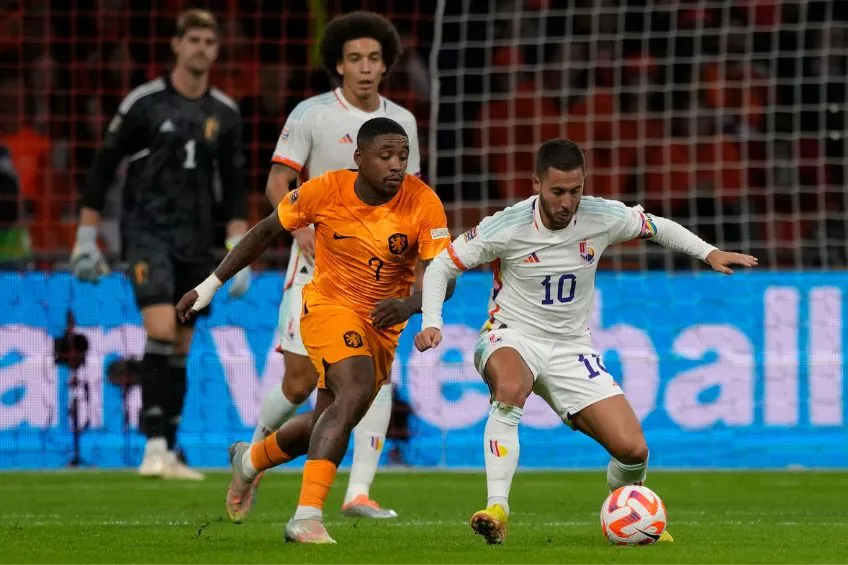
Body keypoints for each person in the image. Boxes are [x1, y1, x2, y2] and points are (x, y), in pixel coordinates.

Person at [414, 139, 758, 545]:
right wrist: (432, 320)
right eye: (557, 191)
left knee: (633, 451)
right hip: (510, 335)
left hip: (572, 348)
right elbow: (440, 267)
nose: (567, 201)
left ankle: (628, 510)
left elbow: (656, 226)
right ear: (537, 184)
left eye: (575, 190)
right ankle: (497, 508)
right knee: (509, 389)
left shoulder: (602, 215)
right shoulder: (505, 226)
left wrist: (709, 252)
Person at [176, 117, 454, 544]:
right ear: (359, 159)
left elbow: (444, 274)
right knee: (356, 389)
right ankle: (306, 517)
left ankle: (250, 460)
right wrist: (209, 286)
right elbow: (266, 230)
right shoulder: (324, 190)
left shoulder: (423, 202)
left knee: (331, 419)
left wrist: (412, 305)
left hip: (383, 325)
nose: (397, 165)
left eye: (403, 156)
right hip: (328, 307)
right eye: (386, 157)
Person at [70, 9, 250, 480]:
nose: (201, 49)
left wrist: (237, 247)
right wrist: (86, 238)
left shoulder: (226, 113)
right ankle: (151, 446)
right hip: (147, 234)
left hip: (199, 242)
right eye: (193, 39)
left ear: (216, 49)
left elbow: (233, 187)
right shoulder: (144, 103)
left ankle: (168, 449)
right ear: (176, 44)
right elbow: (102, 168)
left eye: (210, 41)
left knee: (183, 346)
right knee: (163, 329)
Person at [254, 10, 420, 518]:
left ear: (385, 64)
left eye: (373, 58)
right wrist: (300, 228)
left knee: (375, 377)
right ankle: (256, 455)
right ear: (338, 66)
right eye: (355, 59)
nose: (365, 67)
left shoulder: (402, 122)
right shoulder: (313, 114)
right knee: (301, 383)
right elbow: (277, 183)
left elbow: (409, 197)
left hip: (375, 271)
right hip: (316, 267)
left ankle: (359, 493)